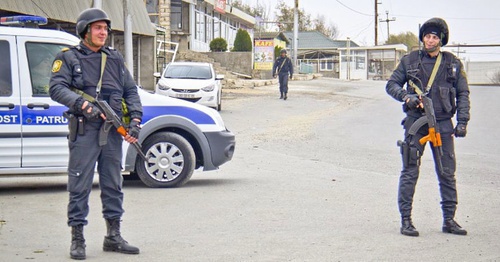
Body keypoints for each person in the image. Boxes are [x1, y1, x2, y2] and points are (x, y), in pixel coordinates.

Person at [49, 8, 142, 259]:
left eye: (105, 28)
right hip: (84, 130)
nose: (104, 33)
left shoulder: (114, 58)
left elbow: (130, 91)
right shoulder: (68, 57)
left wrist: (134, 120)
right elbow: (56, 88)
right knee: (79, 185)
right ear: (85, 30)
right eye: (98, 28)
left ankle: (113, 236)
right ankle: (77, 239)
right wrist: (82, 105)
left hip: (111, 132)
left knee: (113, 183)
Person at [386, 17, 470, 237]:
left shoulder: (452, 63)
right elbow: (391, 84)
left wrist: (462, 121)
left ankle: (449, 220)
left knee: (447, 173)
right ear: (423, 37)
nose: (430, 40)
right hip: (416, 123)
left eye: (434, 37)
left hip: (442, 123)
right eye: (427, 36)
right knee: (410, 171)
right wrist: (406, 97)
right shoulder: (410, 60)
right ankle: (406, 220)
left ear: (441, 40)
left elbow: (462, 93)